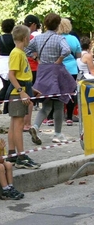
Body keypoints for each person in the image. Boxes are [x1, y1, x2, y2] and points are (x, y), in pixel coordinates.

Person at [26, 13, 75, 145]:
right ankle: (57, 133)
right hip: (56, 72)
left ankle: (35, 126)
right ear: (58, 24)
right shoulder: (59, 39)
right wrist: (59, 60)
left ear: (45, 24)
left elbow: (27, 49)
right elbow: (67, 50)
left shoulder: (38, 38)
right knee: (58, 104)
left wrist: (37, 59)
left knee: (46, 105)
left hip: (43, 72)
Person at [6, 25, 40, 169]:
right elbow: (12, 75)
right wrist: (21, 91)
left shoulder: (20, 53)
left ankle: (12, 153)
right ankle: (21, 156)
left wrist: (31, 89)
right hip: (17, 93)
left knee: (14, 124)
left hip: (22, 90)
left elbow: (22, 75)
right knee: (18, 125)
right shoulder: (17, 53)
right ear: (26, 39)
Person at [57, 18, 81, 126]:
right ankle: (70, 117)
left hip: (58, 67)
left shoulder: (55, 38)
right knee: (71, 92)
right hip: (72, 68)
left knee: (59, 91)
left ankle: (58, 114)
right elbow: (78, 55)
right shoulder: (74, 39)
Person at [0, 19, 15, 114]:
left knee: (6, 85)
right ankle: (0, 102)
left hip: (2, 63)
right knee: (10, 86)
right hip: (11, 62)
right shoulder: (14, 38)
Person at [23, 15, 41, 126]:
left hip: (24, 68)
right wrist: (35, 57)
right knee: (31, 95)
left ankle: (25, 122)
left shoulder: (21, 34)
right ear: (33, 24)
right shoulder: (30, 37)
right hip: (32, 68)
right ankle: (27, 123)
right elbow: (29, 51)